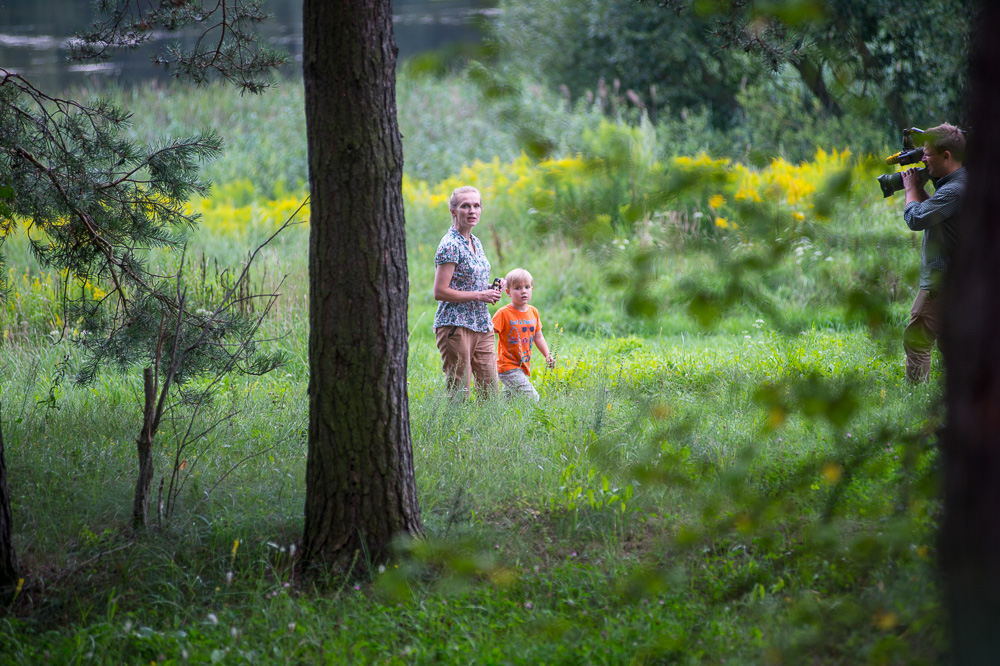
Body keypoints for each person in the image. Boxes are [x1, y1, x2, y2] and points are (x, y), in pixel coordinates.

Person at [900, 123, 967, 383]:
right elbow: (937, 215)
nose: (923, 159)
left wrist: (910, 189)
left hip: (941, 283)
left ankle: (915, 399)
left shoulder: (953, 191)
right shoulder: (960, 184)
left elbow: (916, 219)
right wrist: (921, 188)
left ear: (946, 156)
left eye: (927, 154)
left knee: (916, 340)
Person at [433, 186, 504, 398]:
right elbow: (440, 291)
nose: (472, 210)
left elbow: (471, 284)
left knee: (490, 394)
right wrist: (480, 295)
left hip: (481, 324)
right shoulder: (450, 245)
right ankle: (453, 431)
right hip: (455, 326)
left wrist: (491, 290)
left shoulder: (476, 242)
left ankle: (487, 431)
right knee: (459, 394)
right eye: (466, 206)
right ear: (453, 211)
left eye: (476, 205)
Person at [492, 268, 554, 400]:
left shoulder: (533, 312)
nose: (523, 291)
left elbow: (539, 336)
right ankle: (536, 419)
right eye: (518, 288)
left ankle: (499, 416)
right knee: (532, 397)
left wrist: (547, 355)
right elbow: (488, 334)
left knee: (509, 400)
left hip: (522, 365)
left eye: (527, 287)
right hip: (507, 366)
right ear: (508, 292)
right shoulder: (503, 313)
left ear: (532, 289)